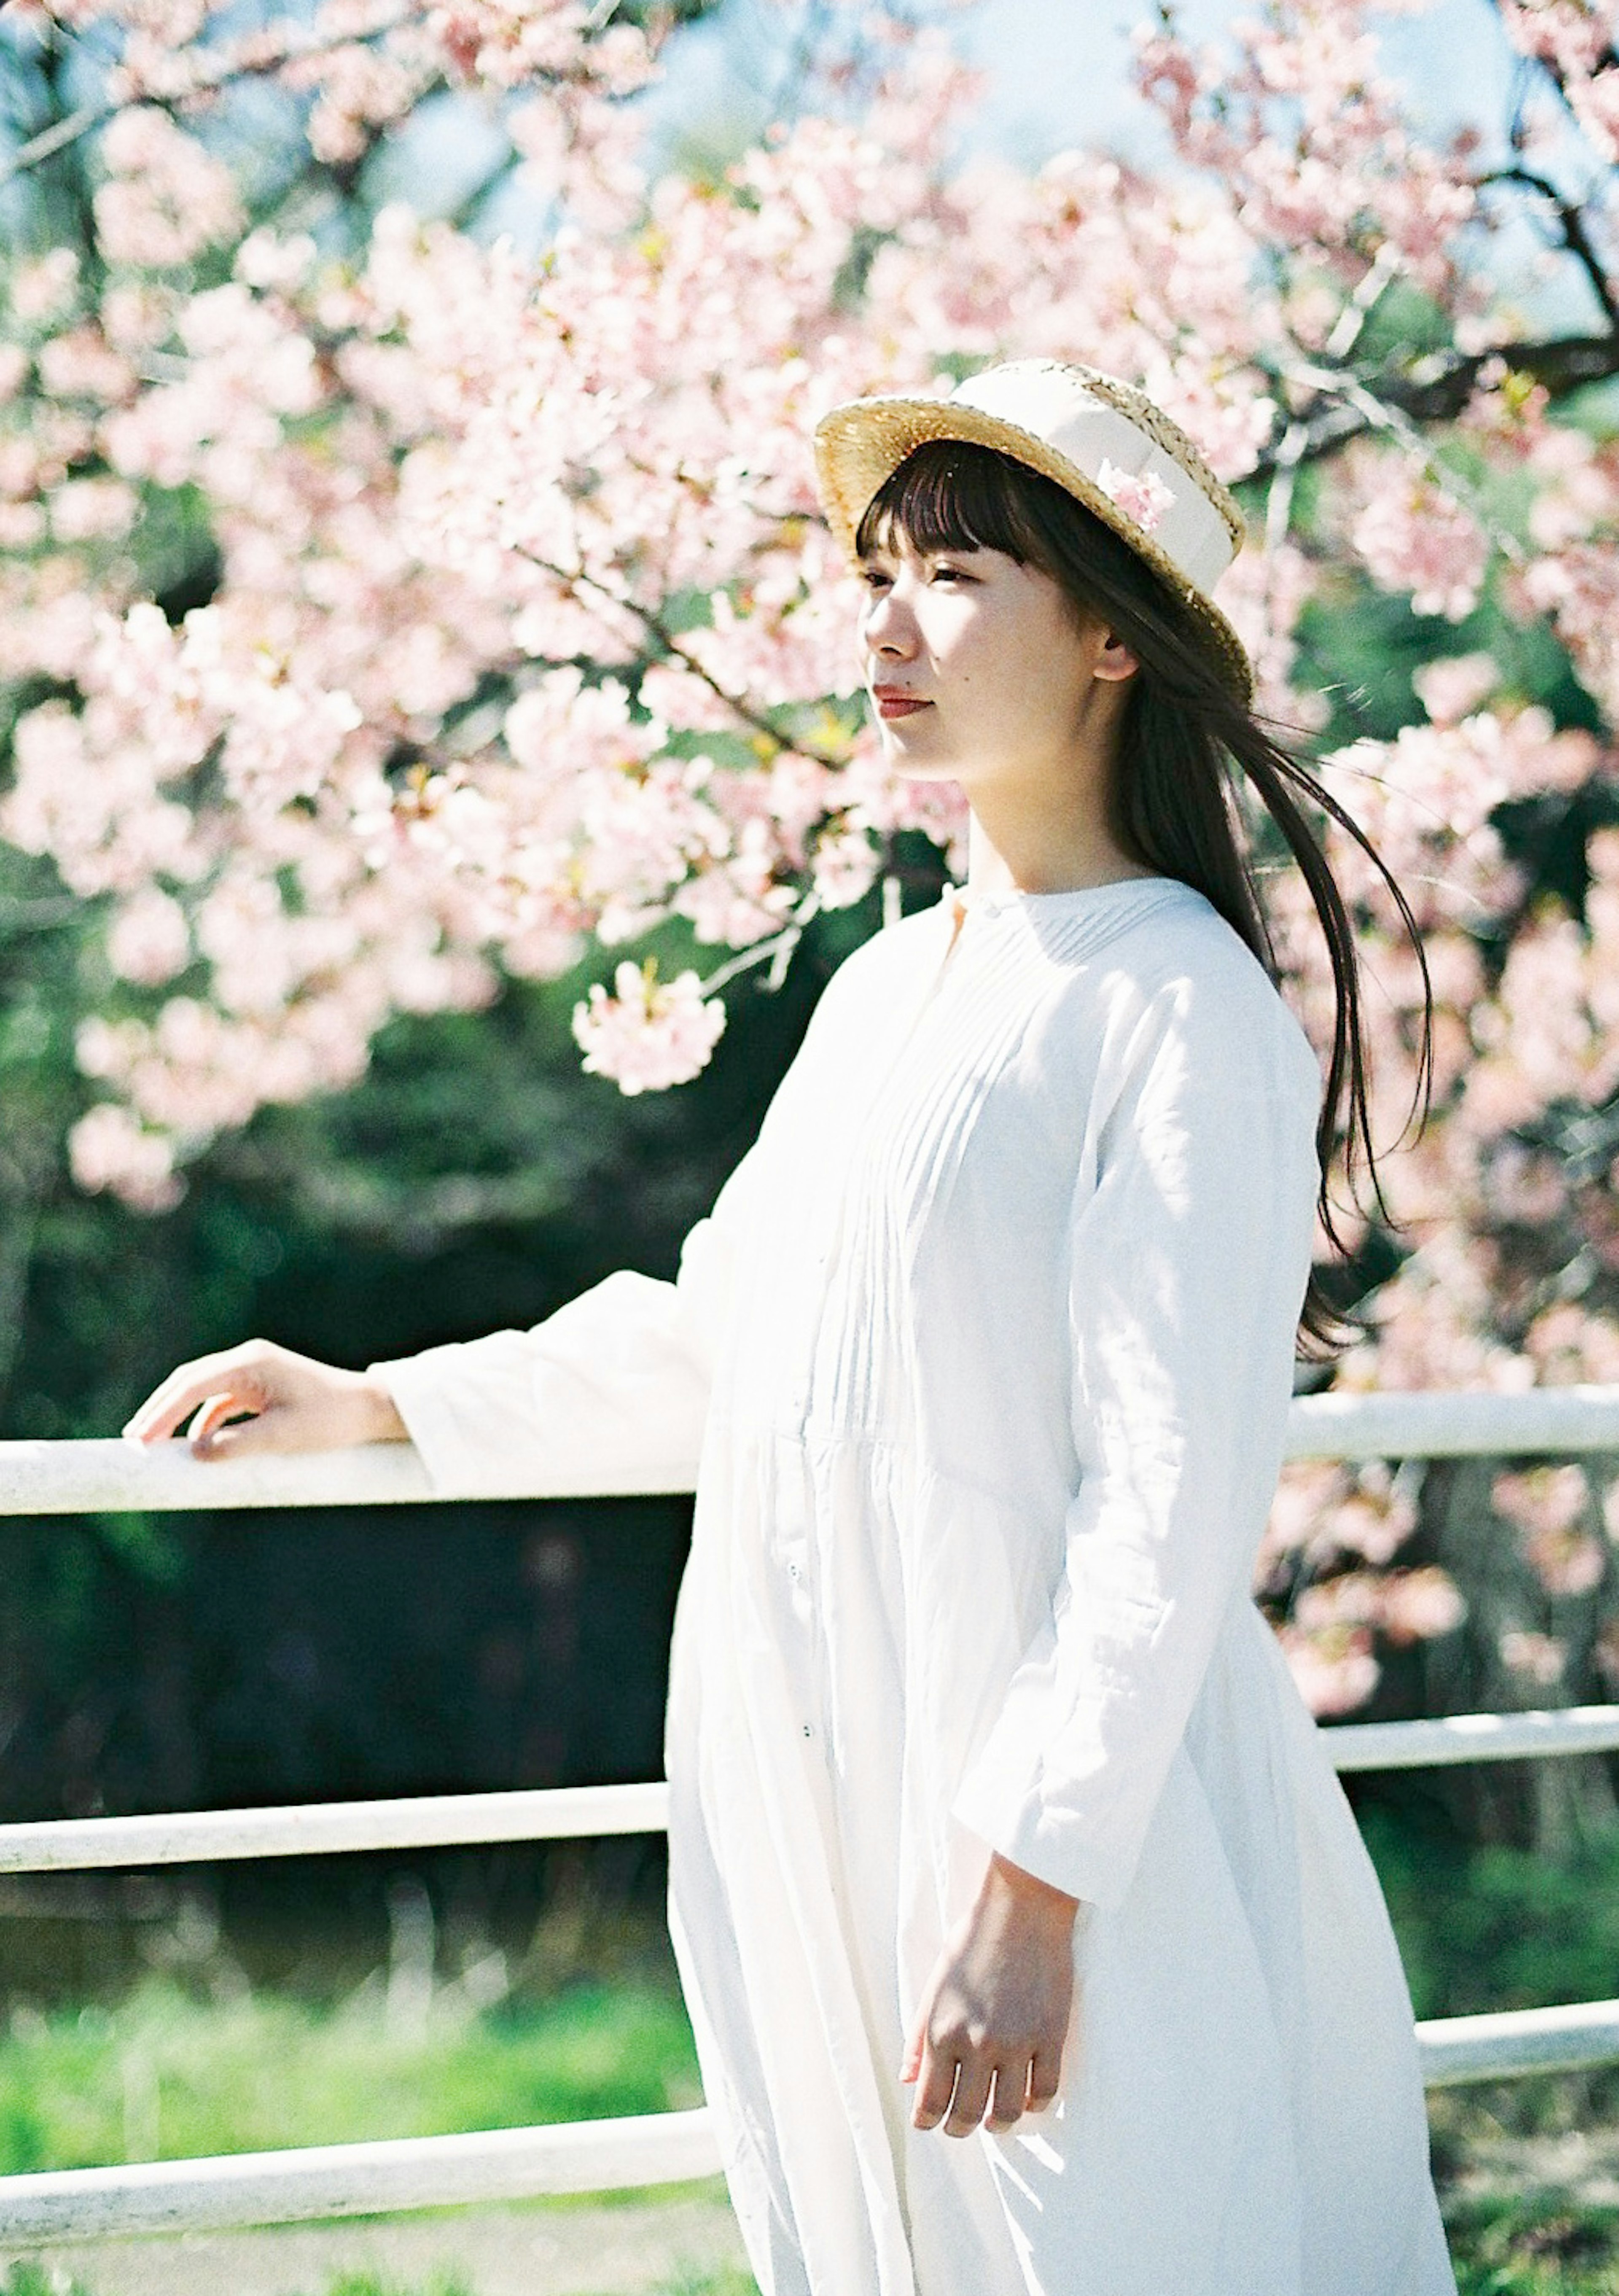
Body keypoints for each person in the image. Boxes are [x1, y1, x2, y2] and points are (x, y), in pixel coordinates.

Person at [126, 360, 1458, 2295]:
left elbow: (1171, 1499)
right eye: (880, 571)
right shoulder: (881, 992)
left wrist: (1037, 1883)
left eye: (962, 576)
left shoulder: (1176, 1009)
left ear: (1110, 641)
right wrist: (377, 1401)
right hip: (825, 1768)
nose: (887, 625)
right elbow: (726, 1336)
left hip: (1056, 1823)